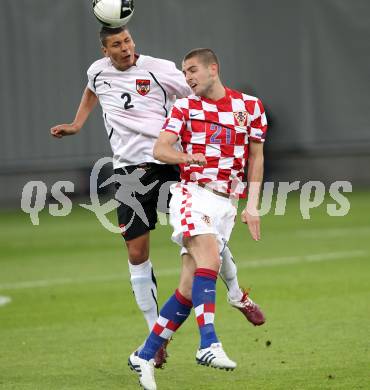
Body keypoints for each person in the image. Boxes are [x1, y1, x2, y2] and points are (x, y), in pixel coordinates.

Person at [50, 26, 263, 369]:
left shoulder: (159, 68)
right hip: (128, 174)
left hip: (168, 164)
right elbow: (92, 91)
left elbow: (197, 93)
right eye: (117, 44)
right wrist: (77, 124)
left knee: (204, 234)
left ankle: (237, 294)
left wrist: (219, 123)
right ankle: (156, 335)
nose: (126, 48)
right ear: (106, 51)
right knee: (137, 252)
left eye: (128, 41)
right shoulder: (97, 71)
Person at [128, 48, 268, 390]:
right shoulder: (184, 107)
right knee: (210, 258)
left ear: (213, 69)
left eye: (192, 70)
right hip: (193, 194)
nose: (187, 77)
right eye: (184, 72)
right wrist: (185, 155)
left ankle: (143, 355)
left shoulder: (250, 106)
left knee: (189, 289)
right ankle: (209, 343)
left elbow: (256, 158)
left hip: (226, 204)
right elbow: (161, 149)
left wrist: (252, 206)